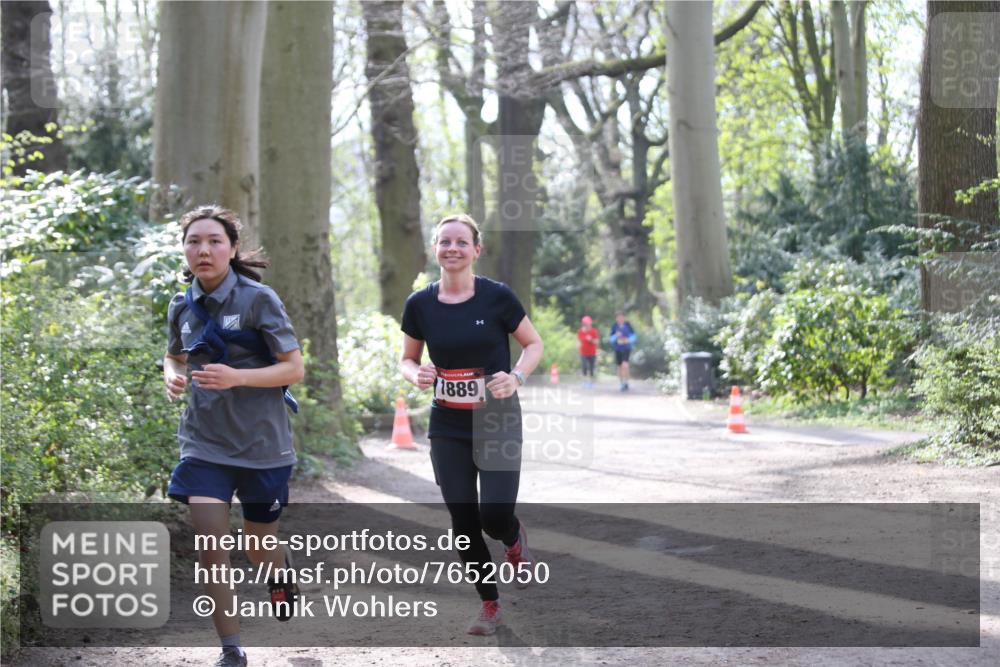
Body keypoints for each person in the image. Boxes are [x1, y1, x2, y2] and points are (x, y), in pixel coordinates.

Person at [163, 205, 305, 667]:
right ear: (184, 250)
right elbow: (175, 355)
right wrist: (172, 374)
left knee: (258, 545)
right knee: (211, 550)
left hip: (263, 444)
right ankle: (231, 649)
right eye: (194, 242)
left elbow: (293, 368)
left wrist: (238, 378)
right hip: (204, 444)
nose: (203, 250)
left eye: (214, 241)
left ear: (233, 248)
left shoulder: (258, 299)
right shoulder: (181, 305)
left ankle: (279, 573)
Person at [399, 213, 544, 636]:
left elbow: (533, 344)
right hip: (447, 424)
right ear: (435, 249)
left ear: (476, 250)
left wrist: (515, 377)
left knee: (494, 515)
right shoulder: (420, 304)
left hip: (496, 418)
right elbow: (408, 358)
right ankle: (489, 604)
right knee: (463, 522)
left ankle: (513, 540)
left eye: (462, 242)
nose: (453, 249)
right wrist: (417, 374)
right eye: (445, 242)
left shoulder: (497, 298)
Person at [609, 311, 636, 392]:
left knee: (625, 365)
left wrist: (628, 340)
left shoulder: (628, 326)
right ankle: (622, 383)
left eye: (622, 317)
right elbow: (611, 339)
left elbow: (634, 336)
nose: (620, 319)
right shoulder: (614, 327)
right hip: (617, 349)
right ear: (616, 318)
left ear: (624, 318)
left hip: (626, 348)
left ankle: (626, 382)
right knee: (620, 367)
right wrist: (616, 336)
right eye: (618, 317)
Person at [577, 315, 600, 388]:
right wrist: (577, 345)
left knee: (592, 368)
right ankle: (584, 382)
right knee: (584, 367)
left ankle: (592, 383)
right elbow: (579, 341)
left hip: (592, 353)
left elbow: (597, 342)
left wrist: (591, 340)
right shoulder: (580, 331)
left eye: (587, 323)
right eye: (584, 323)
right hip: (583, 353)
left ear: (590, 323)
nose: (586, 324)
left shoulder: (594, 331)